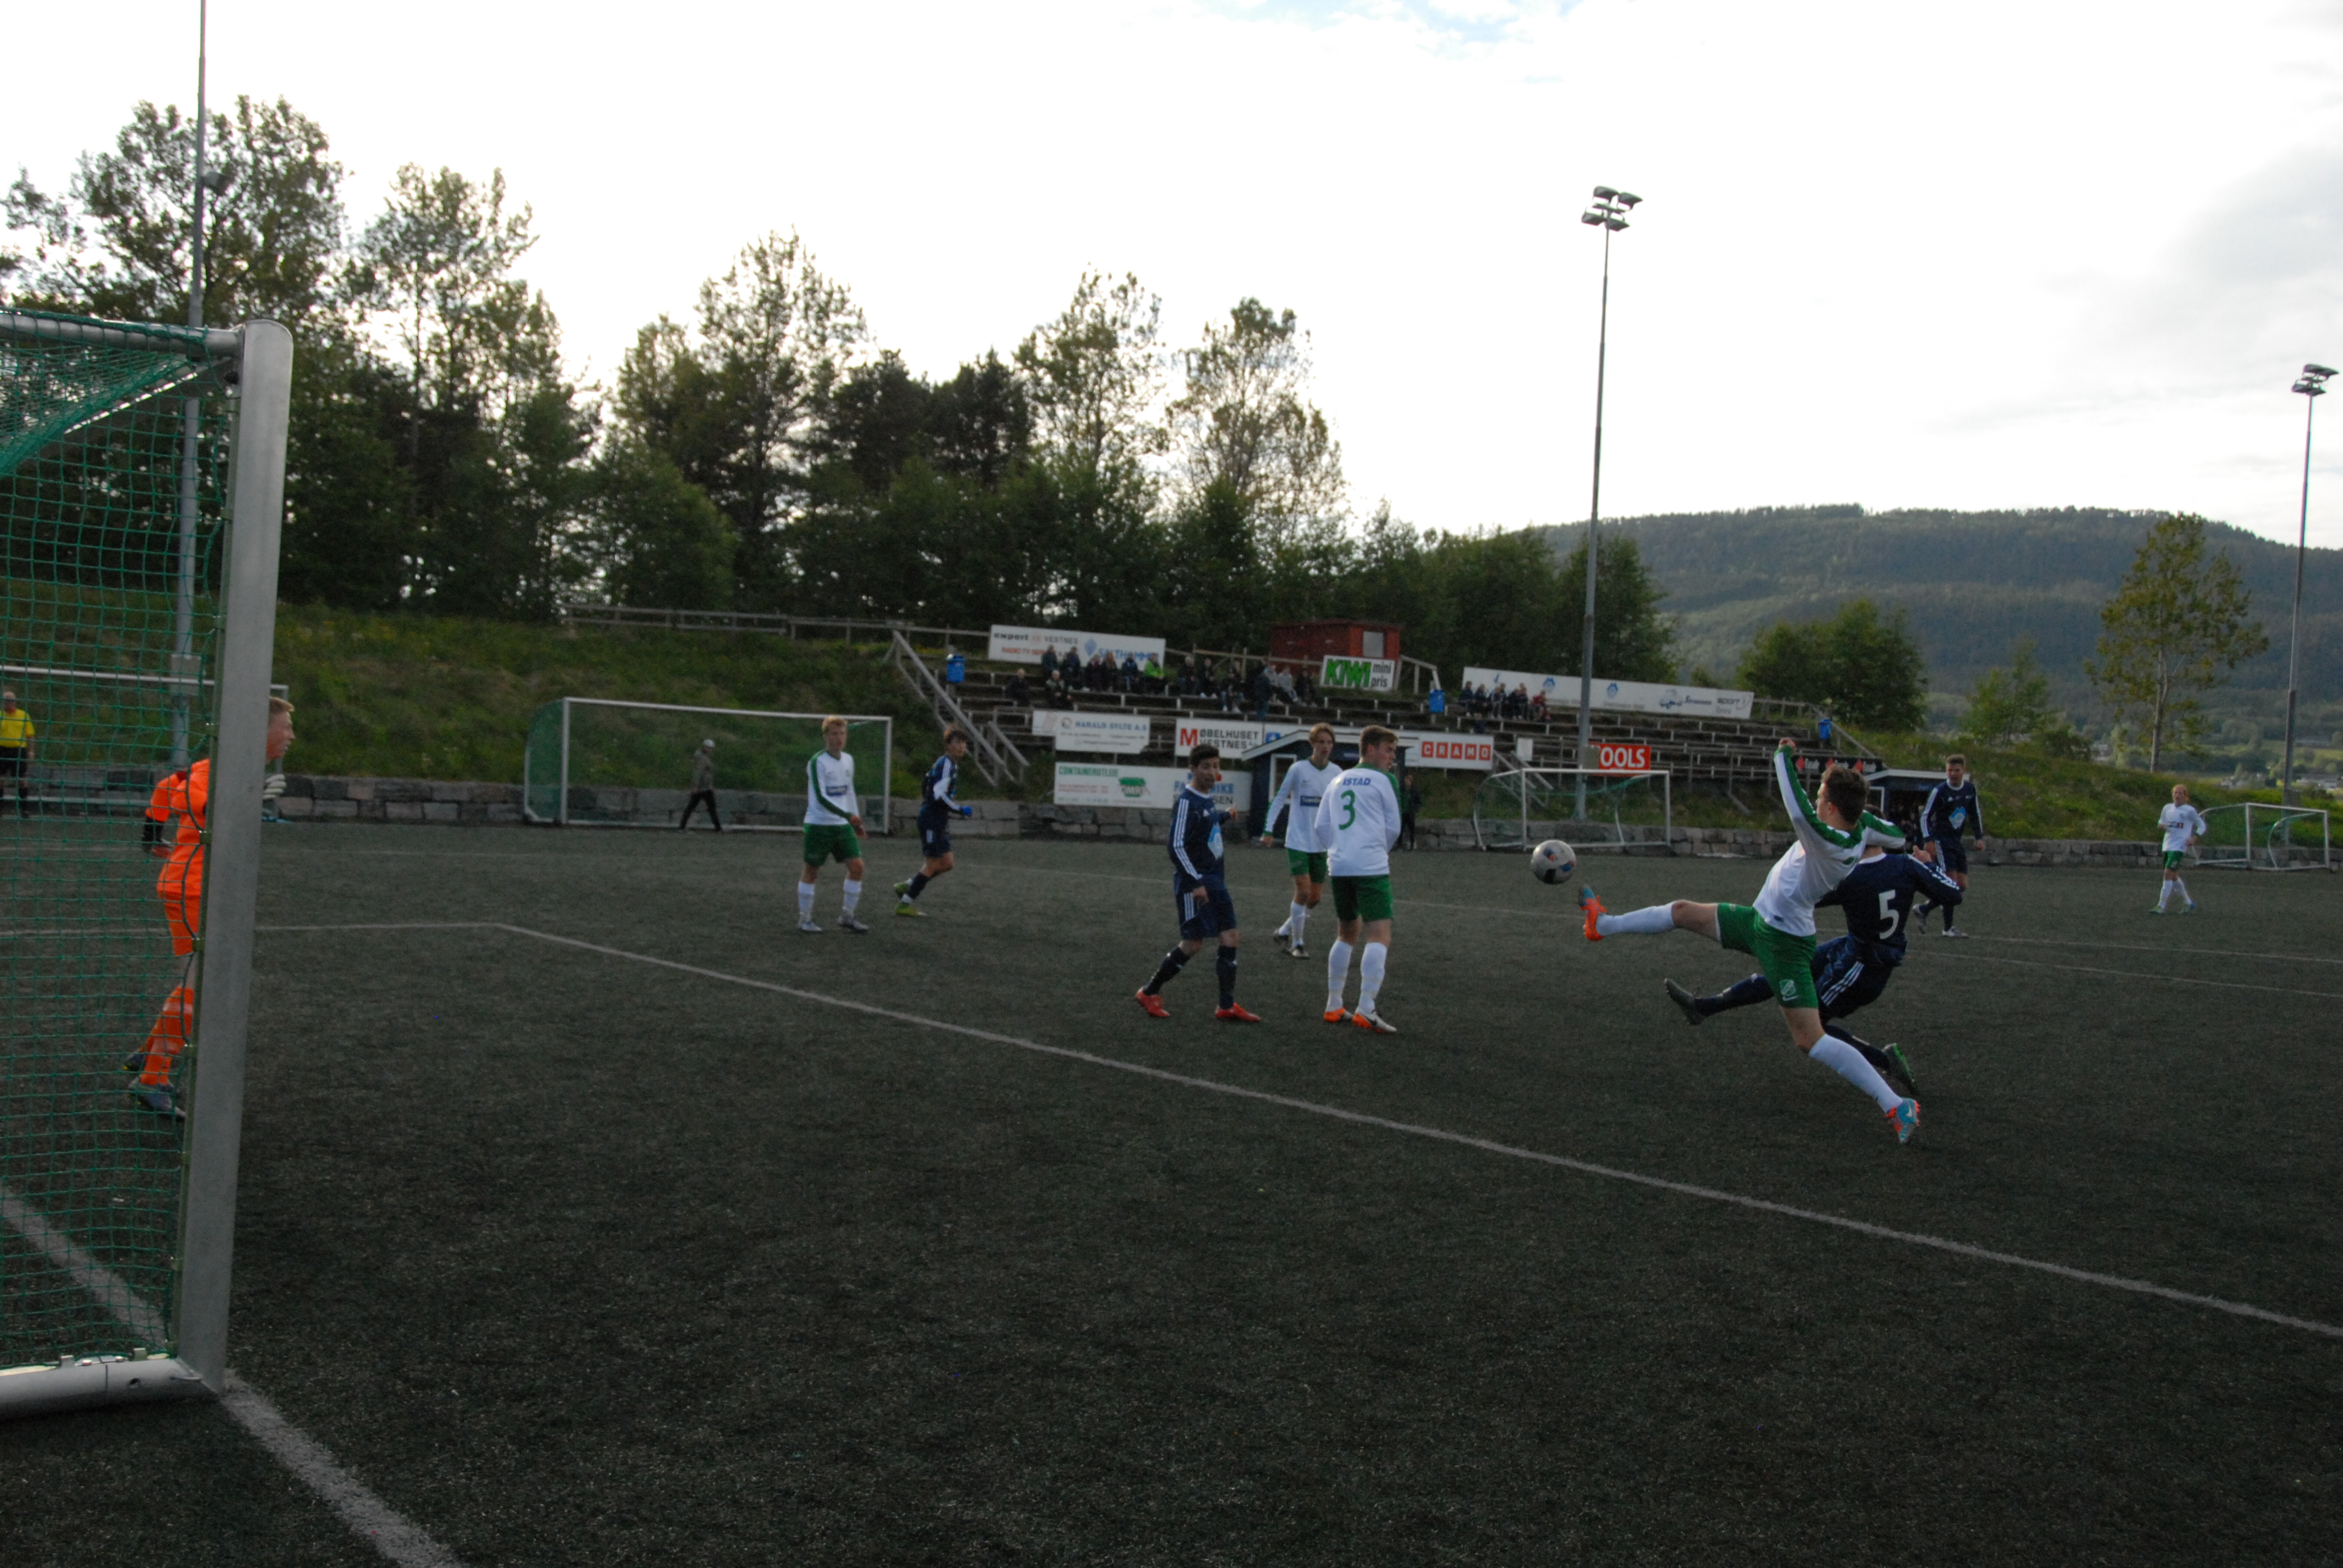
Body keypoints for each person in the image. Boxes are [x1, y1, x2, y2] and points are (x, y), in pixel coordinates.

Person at [1576, 740, 1921, 1142]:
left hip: (1784, 943)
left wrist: (1782, 755)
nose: (1815, 800)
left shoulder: (1828, 840)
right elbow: (1895, 836)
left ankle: (1895, 1105)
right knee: (1683, 911)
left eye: (1820, 795)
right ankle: (1603, 925)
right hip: (1759, 923)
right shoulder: (1858, 828)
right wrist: (1888, 840)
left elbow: (1797, 809)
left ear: (1830, 806)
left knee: (1810, 1039)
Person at [1663, 838, 1962, 1098]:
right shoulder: (1906, 865)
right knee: (1787, 972)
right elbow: (1953, 894)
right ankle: (1705, 1007)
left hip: (1862, 966)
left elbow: (1806, 897)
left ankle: (1884, 1061)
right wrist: (1929, 865)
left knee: (1812, 1026)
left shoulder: (1851, 876)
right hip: (1855, 948)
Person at [130, 696, 296, 1118]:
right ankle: (152, 1078)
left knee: (197, 980)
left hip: (201, 887)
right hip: (192, 888)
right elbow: (187, 794)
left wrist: (151, 834)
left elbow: (168, 787)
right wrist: (246, 799)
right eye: (286, 727)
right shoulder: (222, 768)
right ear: (260, 732)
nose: (291, 736)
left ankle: (150, 1054)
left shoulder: (235, 769)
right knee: (200, 986)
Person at [1134, 744, 1260, 1022]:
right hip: (1195, 884)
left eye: (1216, 766)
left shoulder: (1206, 799)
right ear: (1192, 769)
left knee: (1230, 937)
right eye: (1206, 767)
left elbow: (1206, 824)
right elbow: (1176, 846)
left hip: (1216, 881)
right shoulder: (1186, 802)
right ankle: (1149, 992)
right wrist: (1195, 882)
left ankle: (1226, 1005)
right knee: (1192, 943)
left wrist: (1225, 816)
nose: (1213, 772)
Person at [1317, 724, 1406, 1033]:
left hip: (1339, 866)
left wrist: (1340, 850)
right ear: (1370, 749)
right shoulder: (1385, 780)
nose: (1392, 757)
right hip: (1370, 865)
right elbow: (1394, 826)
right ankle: (1366, 1008)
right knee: (1379, 935)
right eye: (1388, 750)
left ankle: (1333, 1004)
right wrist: (1376, 850)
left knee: (1346, 933)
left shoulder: (1337, 779)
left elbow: (1321, 826)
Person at [1260, 724, 1343, 959]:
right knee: (1303, 891)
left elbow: (1340, 807)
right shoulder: (1298, 769)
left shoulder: (1337, 773)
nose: (1326, 747)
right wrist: (1268, 829)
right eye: (1321, 742)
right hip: (1298, 840)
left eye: (1329, 743)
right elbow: (1279, 799)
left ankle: (1284, 930)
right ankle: (1298, 944)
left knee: (1314, 899)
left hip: (1322, 844)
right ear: (1313, 744)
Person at [895, 728, 976, 916]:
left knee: (947, 863)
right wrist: (959, 809)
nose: (961, 746)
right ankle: (904, 904)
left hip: (938, 820)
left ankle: (909, 885)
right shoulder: (946, 764)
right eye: (957, 743)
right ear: (948, 745)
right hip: (931, 820)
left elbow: (927, 785)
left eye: (963, 743)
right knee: (932, 864)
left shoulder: (951, 765)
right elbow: (939, 795)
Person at [798, 716, 868, 934]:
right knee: (812, 871)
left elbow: (849, 791)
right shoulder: (817, 762)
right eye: (834, 734)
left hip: (842, 825)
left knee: (857, 867)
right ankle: (805, 919)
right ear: (826, 737)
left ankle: (847, 916)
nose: (839, 738)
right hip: (819, 825)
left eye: (842, 734)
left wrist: (855, 820)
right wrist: (847, 815)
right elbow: (821, 797)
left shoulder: (848, 760)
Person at [1913, 754, 1985, 937]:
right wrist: (1929, 839)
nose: (1953, 774)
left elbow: (1974, 813)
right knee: (1951, 884)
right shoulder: (1940, 791)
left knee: (1961, 886)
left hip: (1956, 842)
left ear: (1964, 771)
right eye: (1950, 770)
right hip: (1941, 841)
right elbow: (1925, 816)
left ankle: (1924, 909)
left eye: (1957, 770)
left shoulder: (1969, 789)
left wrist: (1979, 836)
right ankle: (1948, 928)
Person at [2154, 783, 2209, 914]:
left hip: (2179, 846)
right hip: (2167, 845)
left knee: (2168, 873)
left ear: (2186, 796)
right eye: (2175, 793)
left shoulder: (2189, 811)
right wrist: (2161, 826)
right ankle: (2188, 902)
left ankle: (2161, 906)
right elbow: (2161, 822)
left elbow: (2202, 826)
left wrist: (2195, 837)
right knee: (2173, 876)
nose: (2177, 795)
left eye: (2180, 793)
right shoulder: (2167, 808)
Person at [0, 689, 32, 817]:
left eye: (11, 700)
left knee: (22, 780)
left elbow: (30, 735)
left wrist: (31, 751)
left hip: (18, 751)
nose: (9, 703)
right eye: (6, 701)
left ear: (15, 702)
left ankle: (25, 809)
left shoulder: (23, 715)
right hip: (2, 750)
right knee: (1, 779)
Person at [679, 739, 722, 831]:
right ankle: (718, 828)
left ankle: (682, 826)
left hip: (704, 787)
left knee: (692, 807)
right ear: (704, 747)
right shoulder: (703, 758)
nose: (710, 750)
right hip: (703, 788)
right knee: (711, 808)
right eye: (708, 748)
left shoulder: (704, 757)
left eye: (711, 748)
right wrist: (695, 785)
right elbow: (698, 772)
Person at [1400, 768, 1423, 851]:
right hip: (1403, 813)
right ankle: (1399, 845)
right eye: (1406, 781)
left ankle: (1412, 845)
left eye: (1409, 781)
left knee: (1411, 830)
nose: (1407, 782)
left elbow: (1419, 801)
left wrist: (1415, 809)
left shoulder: (1414, 791)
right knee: (1401, 830)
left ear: (1411, 782)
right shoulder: (1402, 790)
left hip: (1410, 813)